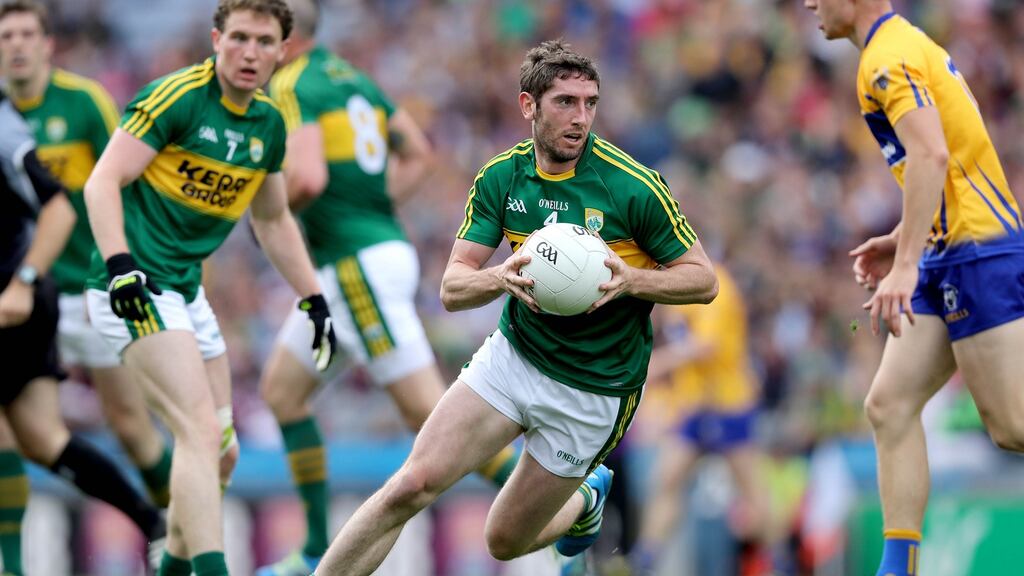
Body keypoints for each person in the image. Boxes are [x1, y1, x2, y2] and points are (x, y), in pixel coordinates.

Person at [313, 40, 718, 576]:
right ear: (528, 105)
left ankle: (584, 503)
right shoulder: (503, 178)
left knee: (502, 541)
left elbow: (703, 279)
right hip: (513, 358)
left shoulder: (632, 186)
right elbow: (452, 288)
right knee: (409, 485)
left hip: (594, 389)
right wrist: (500, 277)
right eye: (565, 103)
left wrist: (632, 282)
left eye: (590, 103)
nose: (581, 118)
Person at [256, 1, 521, 574]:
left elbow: (306, 177)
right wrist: (372, 209)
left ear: (281, 34)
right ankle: (310, 550)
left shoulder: (292, 83)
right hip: (359, 260)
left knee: (430, 419)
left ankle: (568, 496)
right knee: (281, 391)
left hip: (353, 267)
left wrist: (268, 217)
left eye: (260, 35)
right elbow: (418, 152)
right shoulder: (350, 76)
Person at [83, 1, 337, 574]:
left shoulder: (269, 124)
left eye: (264, 42)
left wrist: (313, 295)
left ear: (282, 51)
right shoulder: (176, 98)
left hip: (185, 291)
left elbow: (272, 220)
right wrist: (120, 263)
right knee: (196, 431)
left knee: (220, 453)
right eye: (240, 38)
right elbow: (103, 181)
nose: (250, 53)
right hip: (132, 284)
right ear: (216, 38)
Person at [805, 1, 1024, 575]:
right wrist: (904, 238)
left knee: (1012, 426)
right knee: (889, 405)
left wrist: (904, 267)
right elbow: (952, 161)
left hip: (974, 252)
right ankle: (897, 567)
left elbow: (932, 153)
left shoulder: (886, 59)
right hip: (943, 249)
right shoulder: (901, 45)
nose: (808, 3)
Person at [0, 0, 174, 510]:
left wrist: (131, 260)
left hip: (89, 286)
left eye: (26, 34)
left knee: (129, 424)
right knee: (10, 437)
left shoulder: (84, 102)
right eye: (6, 36)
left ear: (48, 44)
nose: (16, 45)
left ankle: (176, 536)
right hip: (24, 298)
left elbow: (127, 178)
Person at [630, 265, 770, 576]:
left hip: (728, 403)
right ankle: (644, 560)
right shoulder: (676, 293)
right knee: (666, 481)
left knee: (751, 489)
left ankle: (774, 560)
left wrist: (659, 365)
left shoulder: (713, 285)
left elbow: (707, 346)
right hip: (694, 406)